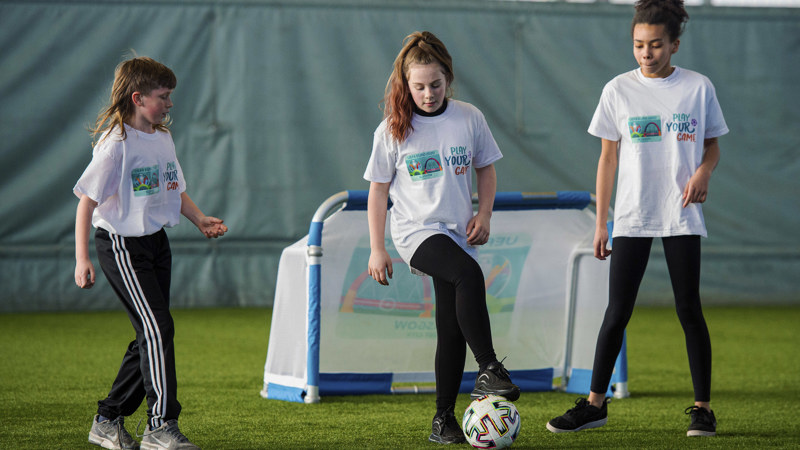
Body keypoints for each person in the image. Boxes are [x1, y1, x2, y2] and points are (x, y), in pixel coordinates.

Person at [545, 0, 728, 438]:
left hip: (681, 214)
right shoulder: (617, 90)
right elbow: (607, 160)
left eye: (655, 45)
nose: (646, 53)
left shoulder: (699, 88)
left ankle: (702, 409)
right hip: (631, 216)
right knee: (617, 311)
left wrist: (703, 171)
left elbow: (713, 146)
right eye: (638, 45)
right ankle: (594, 405)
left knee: (689, 308)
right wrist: (601, 221)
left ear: (674, 45)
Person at [363, 31, 520, 445]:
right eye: (419, 86)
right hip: (414, 231)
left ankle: (442, 419)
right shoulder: (393, 129)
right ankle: (489, 367)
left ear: (448, 78)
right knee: (468, 275)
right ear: (405, 84)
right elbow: (378, 190)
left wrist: (484, 213)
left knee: (450, 328)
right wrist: (377, 248)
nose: (428, 93)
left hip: (457, 232)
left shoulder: (469, 118)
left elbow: (486, 168)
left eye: (435, 84)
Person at [74, 56, 227, 450]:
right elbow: (86, 204)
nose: (169, 104)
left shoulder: (162, 138)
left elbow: (173, 189)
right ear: (138, 97)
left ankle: (107, 419)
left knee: (151, 332)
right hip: (121, 246)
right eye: (164, 96)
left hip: (156, 243)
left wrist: (200, 220)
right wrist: (82, 259)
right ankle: (160, 426)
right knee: (158, 329)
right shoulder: (114, 146)